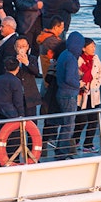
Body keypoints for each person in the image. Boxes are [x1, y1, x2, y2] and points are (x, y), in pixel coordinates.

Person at [54, 32, 85, 159]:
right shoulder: (71, 58)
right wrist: (79, 83)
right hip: (68, 94)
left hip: (61, 93)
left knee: (66, 123)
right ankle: (61, 152)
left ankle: (61, 149)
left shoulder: (64, 54)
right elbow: (69, 78)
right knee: (69, 125)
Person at [36, 16, 66, 145]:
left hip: (47, 78)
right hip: (52, 79)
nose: (62, 30)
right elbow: (64, 51)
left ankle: (48, 138)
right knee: (53, 110)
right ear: (56, 27)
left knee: (49, 108)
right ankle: (50, 138)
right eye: (61, 27)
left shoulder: (44, 38)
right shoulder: (52, 41)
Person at [72, 37, 101, 153]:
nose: (94, 48)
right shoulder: (78, 60)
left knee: (93, 119)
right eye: (91, 46)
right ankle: (74, 141)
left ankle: (88, 144)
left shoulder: (95, 59)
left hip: (94, 93)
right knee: (81, 120)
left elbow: (100, 73)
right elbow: (75, 76)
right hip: (82, 94)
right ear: (84, 48)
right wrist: (83, 85)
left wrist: (96, 85)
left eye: (94, 46)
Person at [0, 56, 24, 121]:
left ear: (5, 67)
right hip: (12, 114)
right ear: (18, 68)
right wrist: (21, 114)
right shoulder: (16, 81)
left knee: (0, 130)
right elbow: (18, 101)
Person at [14, 37, 42, 117]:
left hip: (30, 95)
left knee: (31, 119)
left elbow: (35, 72)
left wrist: (26, 63)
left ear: (27, 47)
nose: (21, 48)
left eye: (23, 46)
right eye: (19, 46)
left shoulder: (32, 59)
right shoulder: (11, 59)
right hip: (17, 94)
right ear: (15, 48)